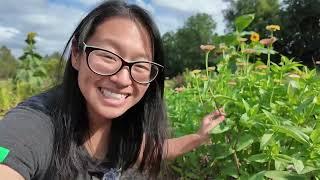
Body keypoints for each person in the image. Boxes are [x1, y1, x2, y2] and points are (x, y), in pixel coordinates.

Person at [0, 1, 225, 179]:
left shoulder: (122, 129)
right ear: (77, 54)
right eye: (107, 56)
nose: (122, 79)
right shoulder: (34, 126)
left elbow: (157, 150)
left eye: (140, 65)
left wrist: (199, 136)